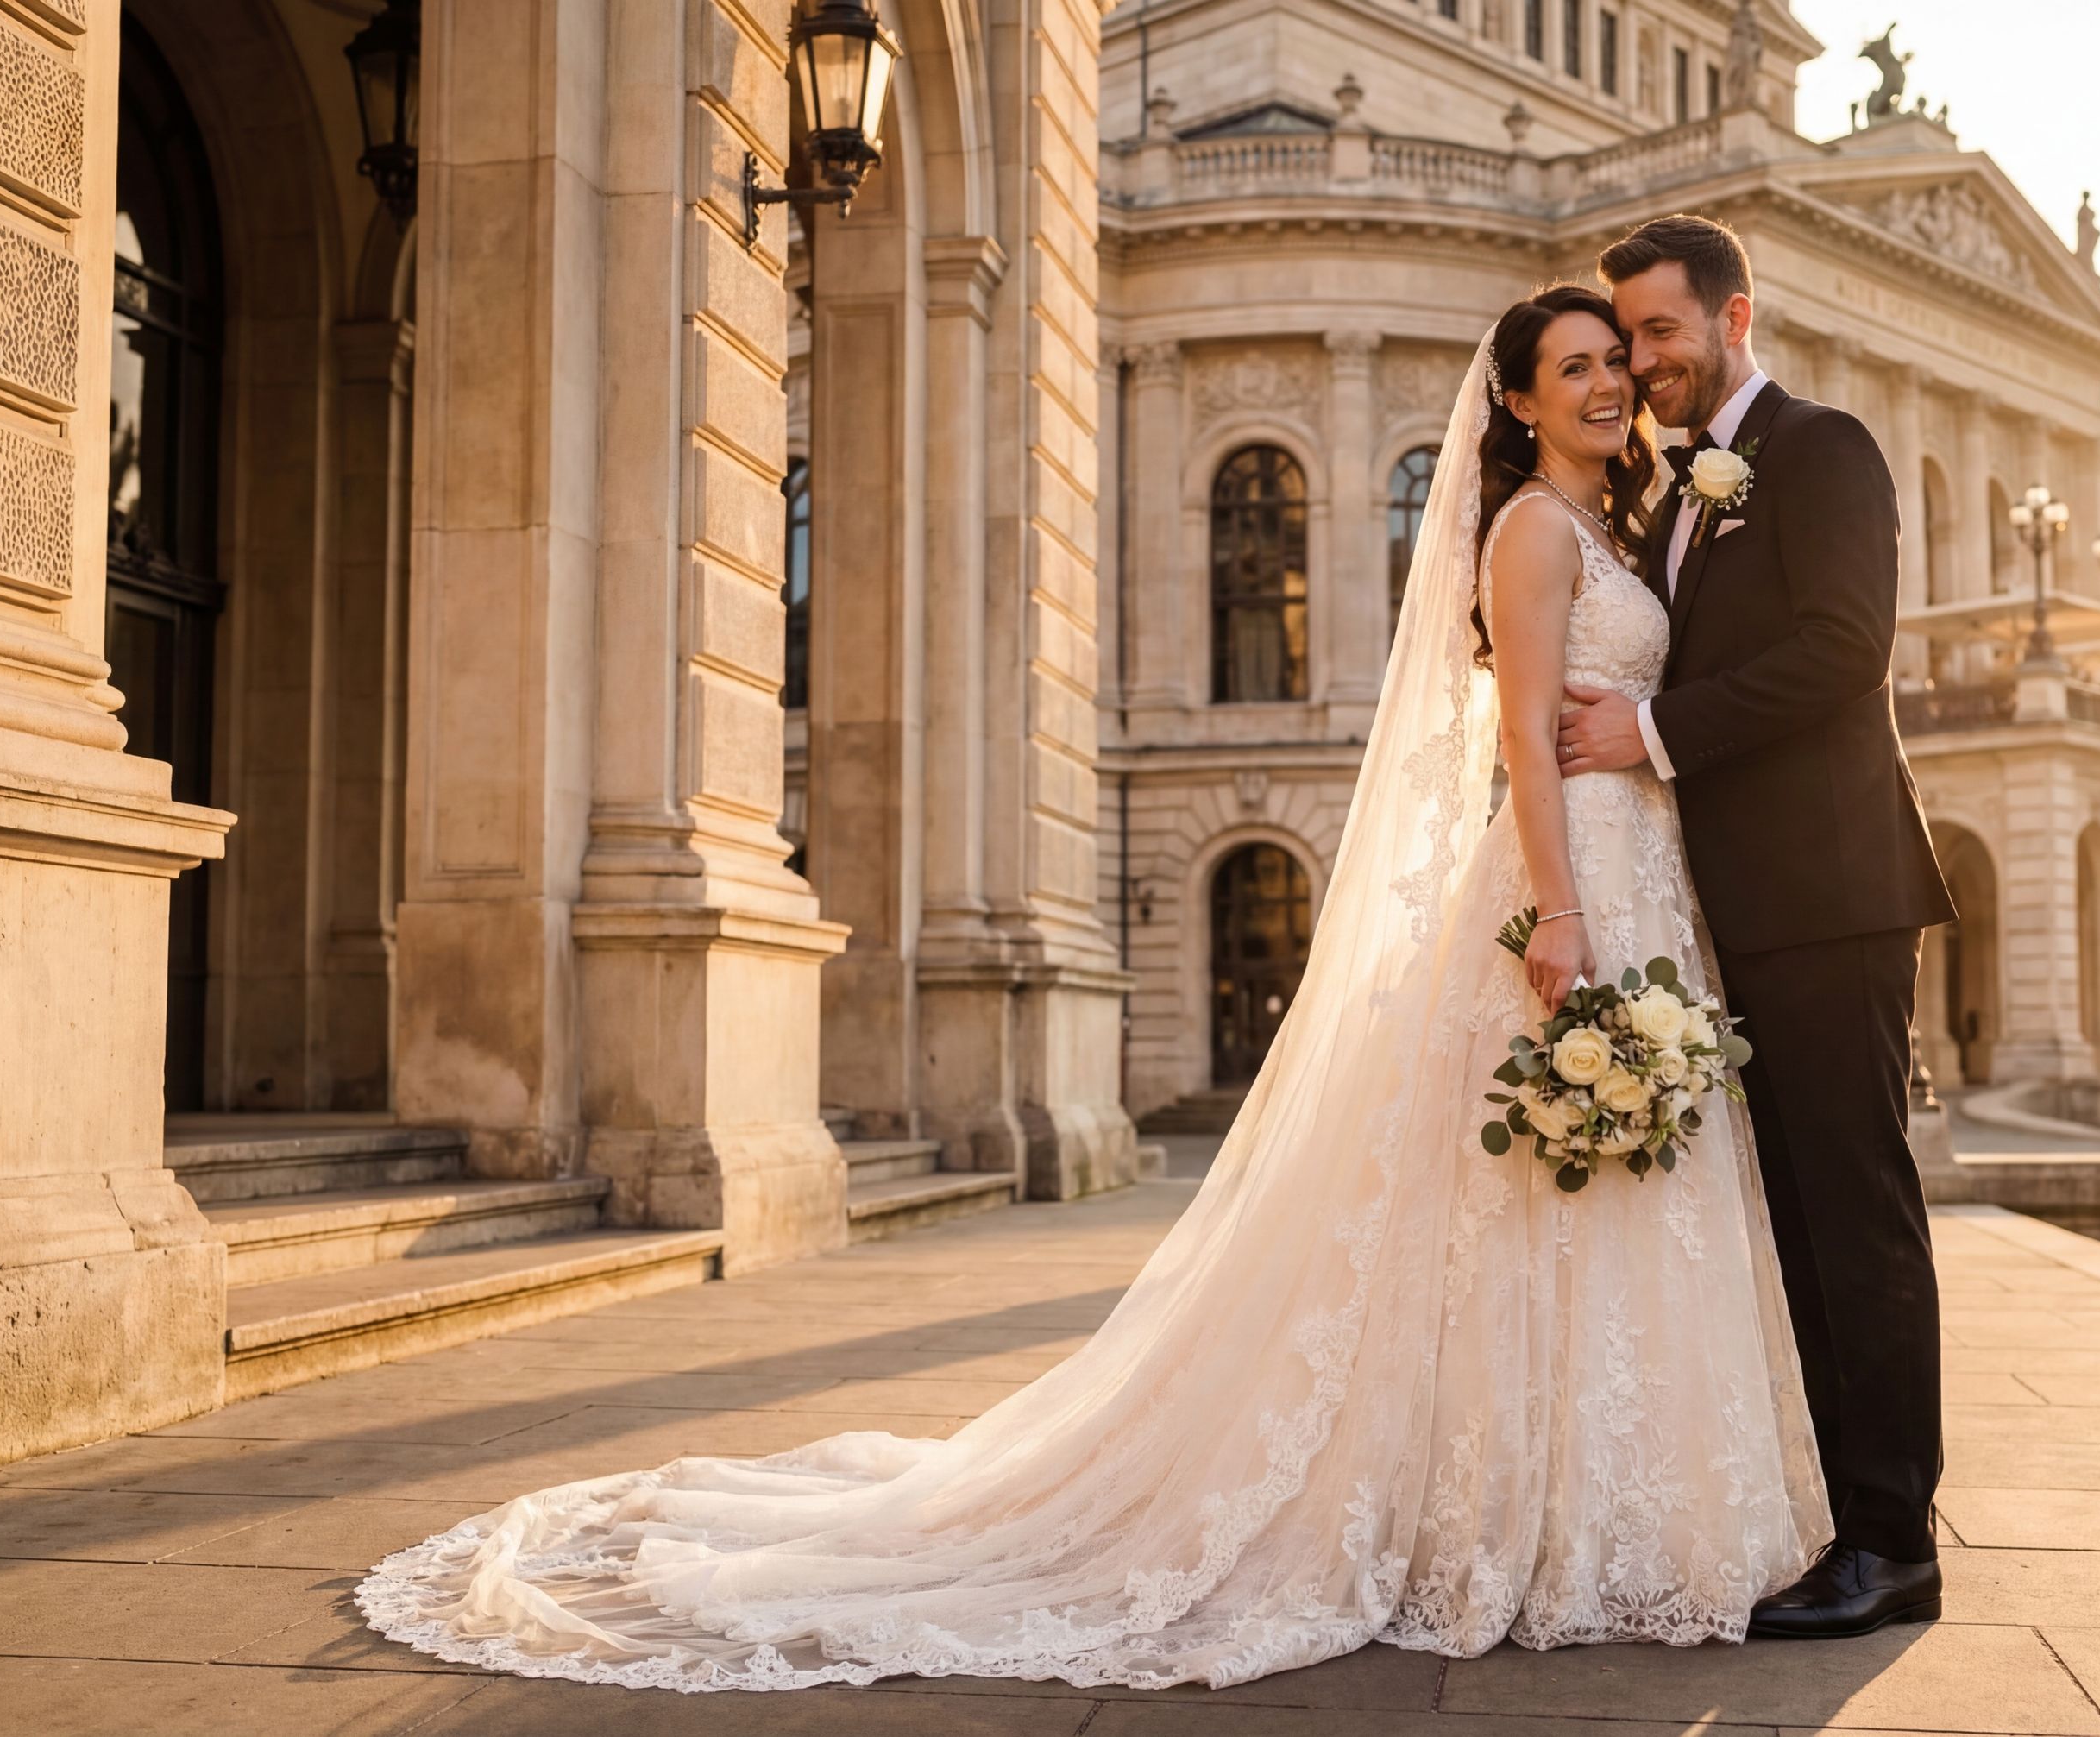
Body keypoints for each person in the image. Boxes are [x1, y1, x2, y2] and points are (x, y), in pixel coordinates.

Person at [355, 284, 1831, 1692]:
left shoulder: (1625, 516)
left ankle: (1607, 1502)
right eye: (1568, 364)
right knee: (1528, 1199)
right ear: (1514, 398)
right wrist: (1562, 910)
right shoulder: (1528, 529)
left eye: (1609, 360)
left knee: (1594, 1203)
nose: (1603, 380)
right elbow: (1518, 737)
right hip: (1571, 886)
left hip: (1644, 878)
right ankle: (1526, 1516)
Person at [1556, 214, 1957, 1639]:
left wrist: (1650, 731)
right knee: (1799, 1218)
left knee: (1856, 1214)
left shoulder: (1823, 447)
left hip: (1833, 894)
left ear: (1734, 318)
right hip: (1746, 911)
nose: (1643, 363)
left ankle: (1896, 1538)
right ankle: (1856, 1520)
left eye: (1661, 333)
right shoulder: (1673, 497)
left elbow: (1848, 650)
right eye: (1625, 340)